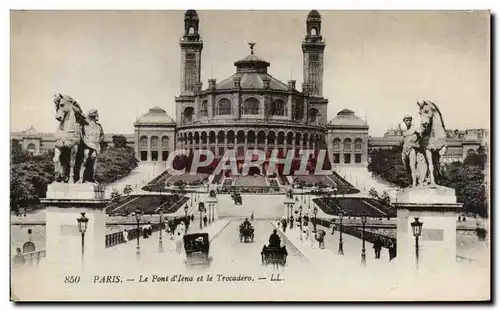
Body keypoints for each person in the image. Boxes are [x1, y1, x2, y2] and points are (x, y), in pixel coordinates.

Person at [401, 115, 422, 188]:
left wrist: (416, 141)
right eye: (407, 120)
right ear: (404, 121)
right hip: (404, 150)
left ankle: (414, 183)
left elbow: (421, 135)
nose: (408, 121)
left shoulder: (415, 128)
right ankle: (410, 182)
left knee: (412, 166)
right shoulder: (404, 131)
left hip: (412, 148)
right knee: (406, 168)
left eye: (410, 120)